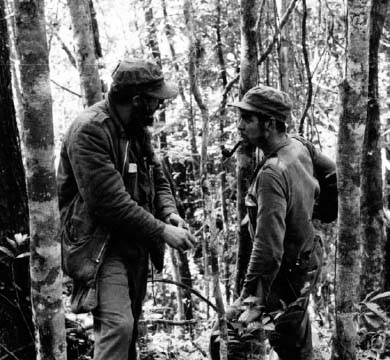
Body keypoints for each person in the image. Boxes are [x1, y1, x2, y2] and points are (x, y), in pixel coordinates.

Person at [57, 58, 196, 360]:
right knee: (118, 326)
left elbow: (156, 176)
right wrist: (162, 231)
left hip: (132, 241)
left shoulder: (134, 128)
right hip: (99, 246)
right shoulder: (90, 131)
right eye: (155, 100)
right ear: (137, 100)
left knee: (129, 330)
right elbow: (110, 203)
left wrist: (169, 212)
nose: (159, 106)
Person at [227, 85, 336, 360]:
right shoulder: (298, 145)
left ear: (271, 124)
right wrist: (319, 212)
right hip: (307, 259)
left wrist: (248, 297)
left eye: (247, 119)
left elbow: (268, 248)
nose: (240, 126)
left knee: (289, 348)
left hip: (287, 274)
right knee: (297, 342)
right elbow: (333, 173)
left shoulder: (271, 176)